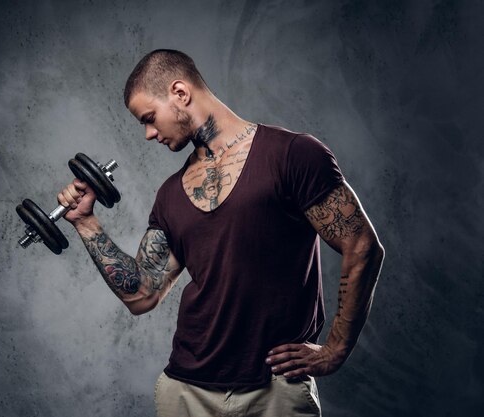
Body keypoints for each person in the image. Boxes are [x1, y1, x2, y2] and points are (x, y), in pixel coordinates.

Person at [57, 49, 385, 416]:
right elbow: (142, 294)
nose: (149, 134)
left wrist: (336, 349)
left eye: (149, 119)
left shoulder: (293, 155)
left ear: (180, 93)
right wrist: (85, 222)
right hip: (186, 390)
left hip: (272, 388)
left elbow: (362, 246)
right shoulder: (170, 195)